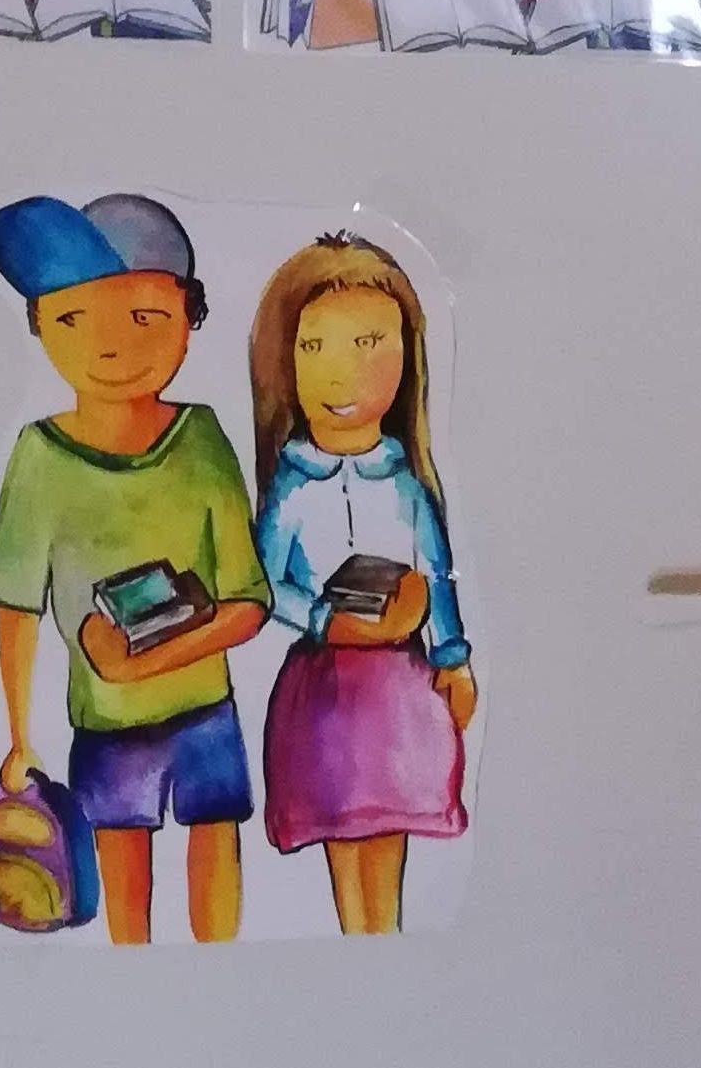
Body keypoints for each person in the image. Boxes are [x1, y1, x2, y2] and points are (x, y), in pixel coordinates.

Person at [0, 193, 269, 944]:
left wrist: (142, 660)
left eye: (144, 317)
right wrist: (18, 738)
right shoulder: (39, 457)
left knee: (216, 879)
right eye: (74, 319)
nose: (110, 345)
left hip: (206, 713)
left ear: (189, 317)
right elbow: (15, 607)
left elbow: (249, 599)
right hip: (105, 728)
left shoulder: (202, 438)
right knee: (124, 903)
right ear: (40, 325)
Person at [249, 234, 475, 935]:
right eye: (314, 347)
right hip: (325, 694)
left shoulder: (406, 483)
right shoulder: (291, 486)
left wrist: (453, 657)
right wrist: (323, 619)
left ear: (407, 355)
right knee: (345, 844)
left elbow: (437, 572)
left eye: (368, 343)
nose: (341, 372)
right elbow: (263, 582)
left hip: (402, 692)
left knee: (390, 841)